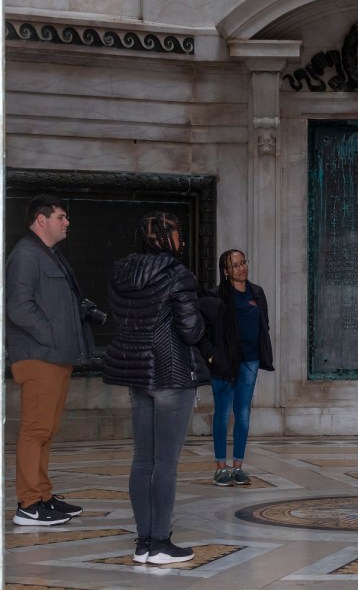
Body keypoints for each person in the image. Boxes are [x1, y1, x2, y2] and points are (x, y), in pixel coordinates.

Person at [103, 212, 209, 565]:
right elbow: (191, 330)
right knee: (165, 463)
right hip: (171, 372)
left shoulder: (121, 273)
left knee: (141, 460)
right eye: (177, 235)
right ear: (165, 239)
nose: (181, 241)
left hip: (136, 373)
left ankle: (143, 542)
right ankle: (160, 542)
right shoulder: (176, 273)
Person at [6, 194, 93, 526]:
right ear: (41, 220)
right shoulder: (26, 255)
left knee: (46, 429)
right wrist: (51, 335)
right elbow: (18, 307)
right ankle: (28, 504)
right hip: (39, 357)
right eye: (61, 216)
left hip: (54, 357)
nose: (66, 222)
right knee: (35, 428)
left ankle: (42, 495)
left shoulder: (49, 256)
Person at [200, 249, 274, 487]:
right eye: (235, 265)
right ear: (226, 271)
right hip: (224, 362)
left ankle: (238, 466)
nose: (242, 267)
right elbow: (203, 331)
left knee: (243, 413)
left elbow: (264, 323)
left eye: (243, 262)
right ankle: (221, 468)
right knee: (222, 413)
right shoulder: (215, 296)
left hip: (249, 361)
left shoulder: (257, 292)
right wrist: (211, 357)